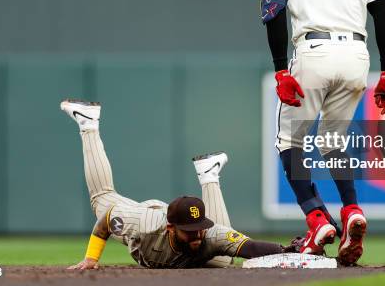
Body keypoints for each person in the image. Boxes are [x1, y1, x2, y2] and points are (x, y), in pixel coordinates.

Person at [258, 0, 385, 265]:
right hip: (356, 55)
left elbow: (272, 11)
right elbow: (382, 15)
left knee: (290, 141)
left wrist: (279, 70)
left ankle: (317, 219)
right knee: (333, 141)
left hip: (314, 50)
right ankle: (351, 209)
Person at [61, 99, 293, 269]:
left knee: (225, 260)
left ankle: (209, 175)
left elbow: (251, 248)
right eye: (190, 232)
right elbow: (107, 218)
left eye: (199, 228)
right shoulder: (144, 225)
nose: (197, 236)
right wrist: (91, 258)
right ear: (171, 228)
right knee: (101, 198)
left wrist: (290, 251)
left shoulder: (209, 233)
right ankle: (88, 122)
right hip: (144, 218)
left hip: (171, 240)